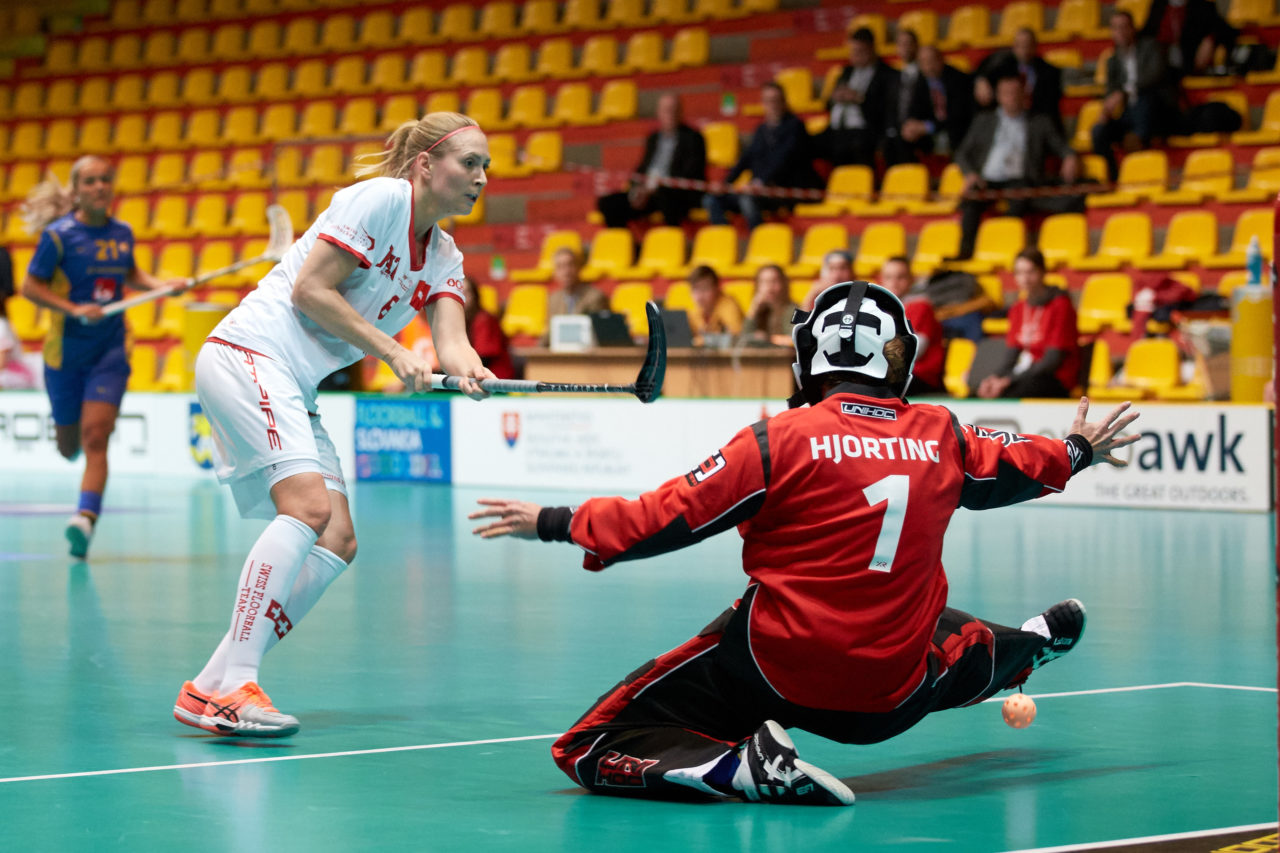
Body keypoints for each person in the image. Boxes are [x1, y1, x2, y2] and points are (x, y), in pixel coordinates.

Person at [469, 278, 1138, 806]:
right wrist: (1077, 450)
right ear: (898, 356)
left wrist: (554, 519)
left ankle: (727, 767)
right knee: (958, 645)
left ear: (808, 356)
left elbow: (658, 518)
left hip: (774, 673)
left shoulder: (778, 438)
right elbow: (1017, 463)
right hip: (890, 698)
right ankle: (1032, 647)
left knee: (589, 743)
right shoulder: (941, 433)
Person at [173, 113, 496, 738]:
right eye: (470, 163)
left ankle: (212, 684)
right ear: (427, 164)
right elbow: (310, 291)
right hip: (250, 353)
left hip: (294, 382)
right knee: (307, 507)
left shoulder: (447, 256)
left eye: (486, 166)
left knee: (339, 537)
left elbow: (453, 343)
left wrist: (474, 373)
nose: (481, 177)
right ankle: (236, 682)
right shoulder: (378, 200)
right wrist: (393, 351)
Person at [19, 156, 189, 558]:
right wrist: (73, 309)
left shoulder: (122, 233)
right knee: (69, 446)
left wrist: (163, 286)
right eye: (90, 181)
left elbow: (130, 276)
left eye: (105, 180)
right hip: (64, 354)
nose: (99, 187)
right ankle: (75, 463)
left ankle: (84, 519)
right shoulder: (58, 237)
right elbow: (29, 287)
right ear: (77, 191)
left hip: (110, 349)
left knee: (97, 438)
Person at [952, 71, 1082, 261]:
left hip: (1021, 180)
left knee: (1017, 196)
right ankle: (964, 254)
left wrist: (1070, 157)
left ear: (1024, 94)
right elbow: (962, 153)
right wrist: (970, 174)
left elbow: (1062, 147)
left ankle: (1008, 250)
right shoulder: (983, 121)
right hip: (987, 180)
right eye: (1006, 93)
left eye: (1015, 92)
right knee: (971, 199)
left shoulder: (1039, 122)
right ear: (998, 96)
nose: (1011, 97)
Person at [703, 83, 821, 229]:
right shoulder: (761, 130)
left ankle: (759, 241)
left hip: (786, 190)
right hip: (761, 190)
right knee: (712, 199)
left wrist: (760, 182)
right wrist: (726, 184)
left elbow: (783, 158)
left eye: (775, 101)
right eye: (767, 101)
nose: (772, 106)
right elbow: (746, 159)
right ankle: (725, 241)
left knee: (747, 199)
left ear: (784, 102)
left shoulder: (795, 127)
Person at [976, 248, 1080, 399]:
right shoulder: (1018, 308)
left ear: (1043, 272)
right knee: (983, 390)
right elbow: (1011, 356)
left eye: (1030, 272)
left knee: (1010, 392)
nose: (1025, 279)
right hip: (1028, 373)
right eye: (1019, 272)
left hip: (1056, 377)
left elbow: (1052, 361)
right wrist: (994, 379)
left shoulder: (1060, 305)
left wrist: (1008, 380)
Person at [1090, 11, 1180, 182]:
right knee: (1099, 131)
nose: (1121, 32)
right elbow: (1111, 91)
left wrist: (1124, 92)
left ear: (1133, 29)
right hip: (1130, 115)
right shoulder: (1113, 60)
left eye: (1124, 27)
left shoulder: (1151, 47)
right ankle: (1113, 178)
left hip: (1157, 112)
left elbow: (1155, 76)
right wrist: (1106, 110)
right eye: (1116, 28)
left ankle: (1138, 143)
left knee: (1145, 98)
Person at [597, 94, 707, 229]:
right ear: (659, 113)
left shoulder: (693, 138)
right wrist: (636, 188)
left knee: (665, 195)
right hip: (648, 193)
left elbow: (690, 173)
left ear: (680, 112)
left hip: (675, 194)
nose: (670, 114)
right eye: (666, 110)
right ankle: (629, 246)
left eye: (674, 110)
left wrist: (653, 188)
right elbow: (642, 168)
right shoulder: (653, 138)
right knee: (607, 203)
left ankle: (672, 241)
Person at [814, 27, 896, 168]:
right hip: (836, 129)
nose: (855, 56)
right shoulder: (847, 71)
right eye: (853, 51)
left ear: (871, 48)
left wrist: (859, 98)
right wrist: (835, 97)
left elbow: (886, 110)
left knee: (850, 146)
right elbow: (827, 104)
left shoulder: (887, 74)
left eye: (859, 51)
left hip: (864, 130)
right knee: (802, 143)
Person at [975, 29, 1065, 135]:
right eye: (1020, 45)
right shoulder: (1003, 67)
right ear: (1014, 46)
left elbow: (1051, 104)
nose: (1024, 49)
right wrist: (980, 80)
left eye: (1027, 45)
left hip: (1036, 120)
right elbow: (982, 70)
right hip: (1008, 120)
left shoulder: (1049, 71)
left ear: (1035, 46)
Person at [879, 256, 944, 394]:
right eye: (889, 277)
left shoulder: (921, 306)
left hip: (918, 376)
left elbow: (914, 350)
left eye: (900, 277)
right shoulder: (878, 309)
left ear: (911, 279)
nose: (894, 283)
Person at [882, 28, 937, 166]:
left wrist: (921, 126)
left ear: (916, 46)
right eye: (901, 44)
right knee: (888, 141)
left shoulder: (928, 73)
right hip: (898, 131)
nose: (905, 48)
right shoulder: (893, 76)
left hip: (924, 130)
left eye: (908, 43)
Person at [913, 45, 976, 157]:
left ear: (941, 59)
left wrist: (928, 127)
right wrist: (911, 125)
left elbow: (958, 116)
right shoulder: (919, 81)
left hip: (955, 128)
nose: (929, 66)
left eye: (932, 60)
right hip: (931, 131)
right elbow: (915, 109)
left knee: (954, 135)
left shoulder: (958, 79)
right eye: (923, 62)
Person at [542, 247, 608, 345]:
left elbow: (601, 335)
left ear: (579, 268)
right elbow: (549, 333)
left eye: (570, 265)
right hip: (560, 354)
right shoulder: (553, 299)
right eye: (560, 267)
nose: (566, 272)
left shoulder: (595, 297)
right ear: (555, 273)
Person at [462, 275, 514, 379]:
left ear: (475, 296)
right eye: (457, 294)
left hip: (494, 381)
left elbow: (483, 358)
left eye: (466, 293)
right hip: (473, 378)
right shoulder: (460, 321)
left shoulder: (484, 320)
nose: (462, 298)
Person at [738, 264, 798, 347]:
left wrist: (769, 339)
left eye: (774, 281)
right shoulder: (758, 310)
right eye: (764, 282)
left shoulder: (793, 310)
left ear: (784, 284)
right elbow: (743, 340)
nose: (769, 287)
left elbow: (793, 339)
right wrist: (753, 310)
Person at [687, 264, 744, 346]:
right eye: (695, 289)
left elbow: (736, 335)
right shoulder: (695, 311)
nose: (700, 295)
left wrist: (701, 340)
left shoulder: (728, 305)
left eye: (705, 288)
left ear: (717, 288)